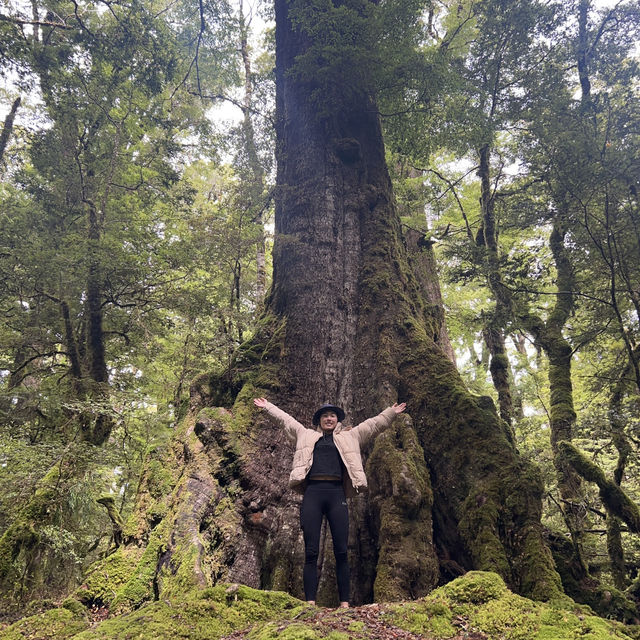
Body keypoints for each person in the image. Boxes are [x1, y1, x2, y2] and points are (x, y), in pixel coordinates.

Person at [253, 396, 406, 608]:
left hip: (336, 494)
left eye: (332, 415)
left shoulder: (350, 437)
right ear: (319, 420)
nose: (329, 418)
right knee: (311, 551)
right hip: (313, 494)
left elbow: (372, 425)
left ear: (337, 419)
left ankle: (344, 604)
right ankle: (310, 603)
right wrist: (267, 407)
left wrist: (390, 413)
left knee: (342, 551)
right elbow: (286, 420)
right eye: (325, 416)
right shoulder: (305, 435)